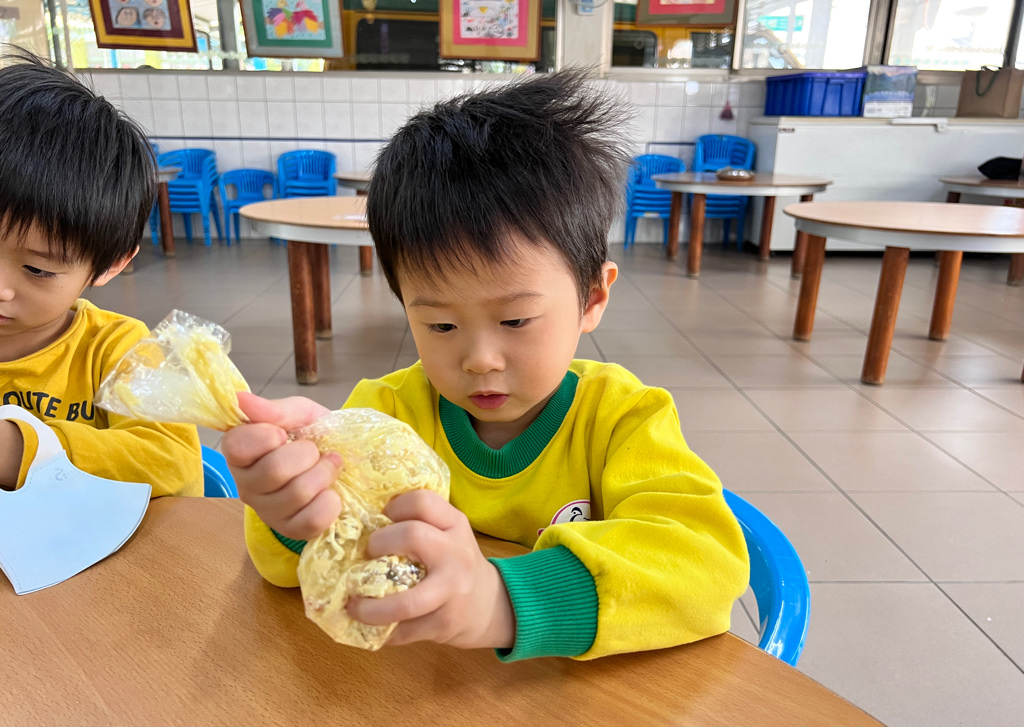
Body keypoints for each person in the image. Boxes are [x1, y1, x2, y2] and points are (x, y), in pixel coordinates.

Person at [224, 70, 749, 661]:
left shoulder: (623, 418)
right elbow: (284, 573)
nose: (479, 360)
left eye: (515, 320)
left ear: (592, 298)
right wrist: (294, 512)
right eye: (440, 326)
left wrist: (502, 601)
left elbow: (706, 562)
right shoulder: (387, 414)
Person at [0, 50, 203, 497]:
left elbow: (176, 463)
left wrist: (21, 450)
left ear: (111, 264)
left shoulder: (118, 350)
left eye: (37, 269)